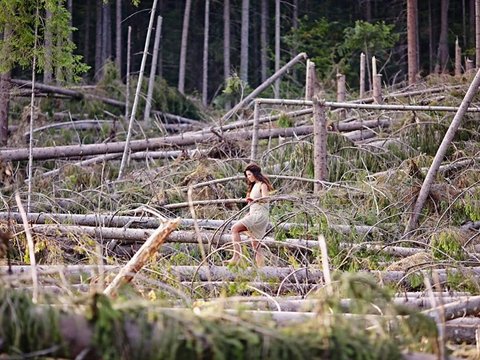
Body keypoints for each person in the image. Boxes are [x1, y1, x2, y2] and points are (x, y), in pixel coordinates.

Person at [227, 163, 273, 266]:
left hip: (260, 216)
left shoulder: (262, 184)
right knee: (256, 245)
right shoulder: (253, 186)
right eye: (247, 175)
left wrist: (254, 200)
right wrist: (248, 214)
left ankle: (236, 256)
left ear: (255, 173)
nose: (248, 177)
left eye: (249, 174)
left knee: (235, 229)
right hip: (255, 214)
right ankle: (261, 270)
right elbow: (254, 206)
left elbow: (266, 199)